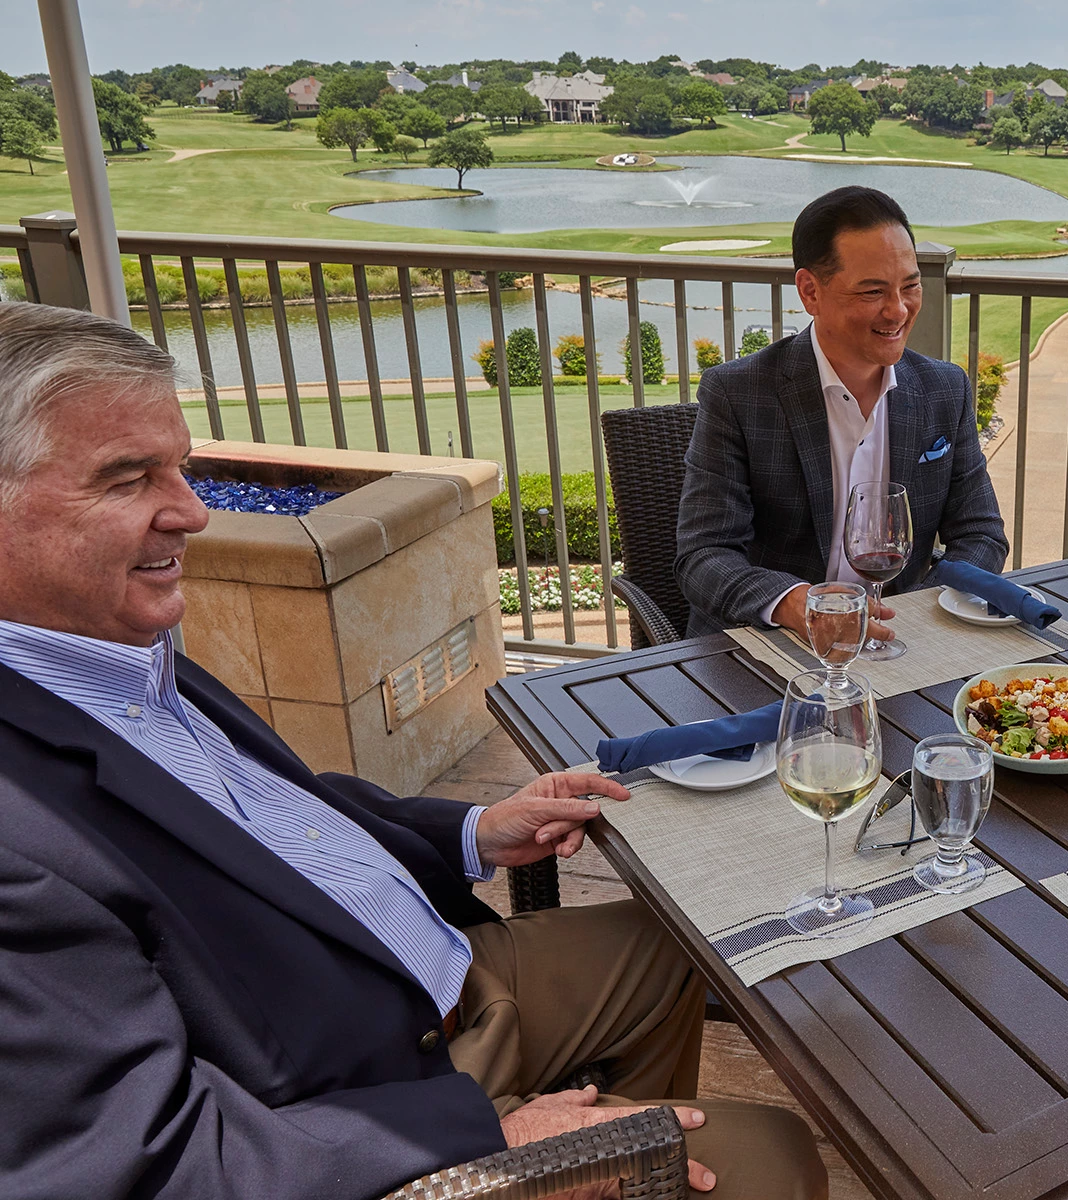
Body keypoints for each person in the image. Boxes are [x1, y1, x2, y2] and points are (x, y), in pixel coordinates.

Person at [0, 303, 827, 1200]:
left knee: (675, 940)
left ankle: (623, 1156)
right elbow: (137, 1162)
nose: (192, 512)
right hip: (373, 1102)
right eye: (128, 479)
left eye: (181, 469)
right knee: (776, 1158)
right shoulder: (18, 834)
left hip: (438, 981)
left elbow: (286, 816)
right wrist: (488, 1140)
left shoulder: (112, 652)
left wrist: (474, 829)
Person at [677, 185, 1008, 637]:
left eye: (910, 285)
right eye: (873, 291)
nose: (898, 310)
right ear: (810, 292)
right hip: (766, 645)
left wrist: (921, 611)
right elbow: (704, 554)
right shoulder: (738, 393)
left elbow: (982, 535)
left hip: (904, 640)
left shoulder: (945, 389)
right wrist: (795, 604)